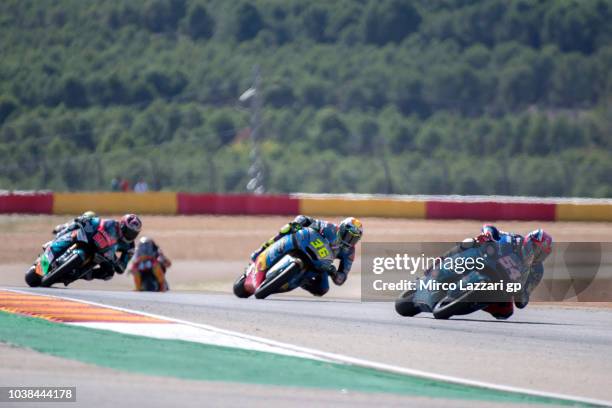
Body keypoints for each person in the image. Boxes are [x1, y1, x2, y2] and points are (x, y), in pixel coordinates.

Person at [250, 215, 363, 296]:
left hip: (321, 263)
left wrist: (334, 273)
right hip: (306, 245)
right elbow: (306, 219)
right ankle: (262, 249)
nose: (350, 240)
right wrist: (298, 223)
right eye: (348, 235)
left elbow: (342, 278)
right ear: (341, 229)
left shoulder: (350, 252)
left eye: (354, 238)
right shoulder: (329, 227)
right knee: (288, 228)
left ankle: (301, 281)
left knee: (323, 289)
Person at [474, 224, 553, 319]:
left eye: (542, 253)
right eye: (536, 248)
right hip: (487, 262)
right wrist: (488, 234)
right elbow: (490, 227)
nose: (537, 254)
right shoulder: (514, 239)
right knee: (471, 243)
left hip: (500, 284)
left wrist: (520, 292)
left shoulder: (537, 271)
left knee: (505, 311)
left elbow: (522, 302)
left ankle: (470, 303)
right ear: (528, 241)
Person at [46, 213, 142, 282]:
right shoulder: (112, 224)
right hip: (92, 239)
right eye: (129, 231)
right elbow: (99, 222)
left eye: (133, 233)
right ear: (122, 225)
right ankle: (61, 232)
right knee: (87, 217)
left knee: (109, 274)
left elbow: (122, 268)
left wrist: (115, 260)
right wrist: (85, 219)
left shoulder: (130, 247)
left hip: (103, 254)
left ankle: (81, 275)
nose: (130, 235)